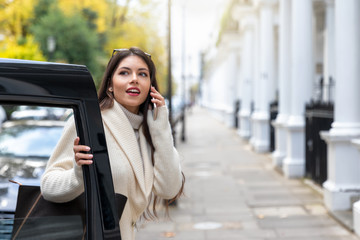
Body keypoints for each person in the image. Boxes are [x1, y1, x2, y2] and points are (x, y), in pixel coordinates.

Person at [41, 47, 185, 240]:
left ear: (150, 86)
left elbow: (169, 189)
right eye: (124, 72)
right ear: (110, 84)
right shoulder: (88, 122)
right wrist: (79, 174)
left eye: (142, 74)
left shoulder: (149, 132)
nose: (134, 79)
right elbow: (48, 187)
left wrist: (161, 127)